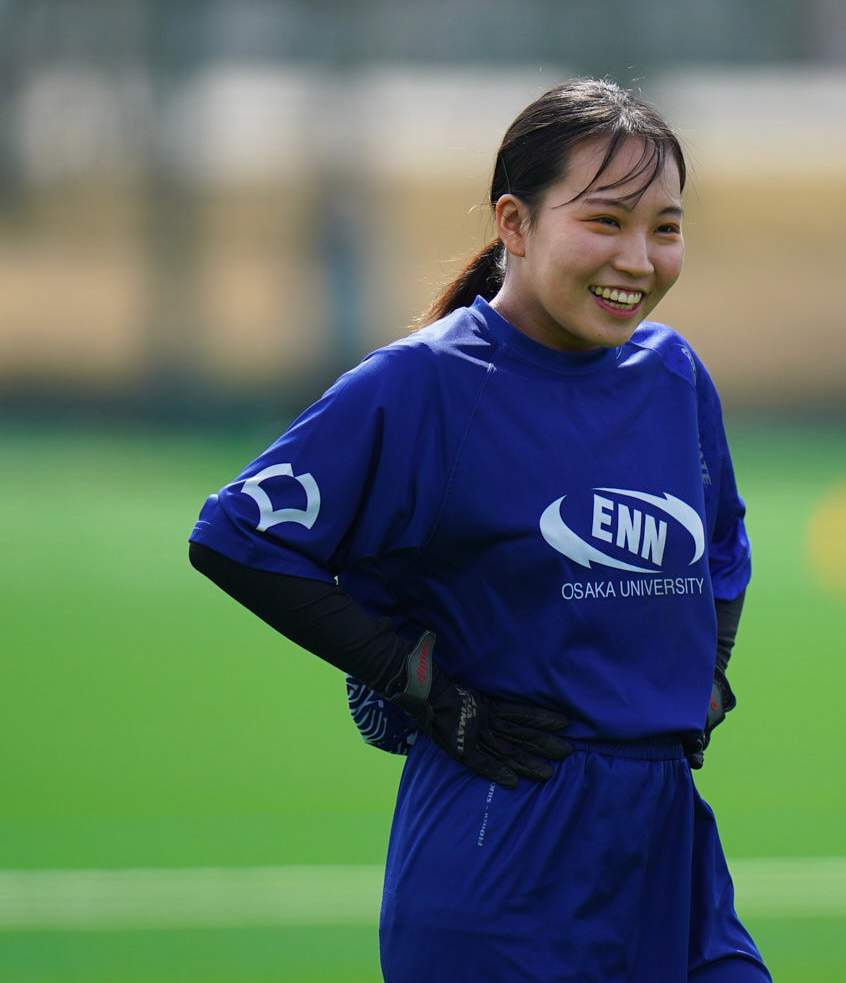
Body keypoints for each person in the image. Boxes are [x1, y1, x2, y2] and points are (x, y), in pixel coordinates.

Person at [188, 78, 769, 983]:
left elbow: (723, 547)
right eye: (606, 221)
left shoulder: (675, 376)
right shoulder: (427, 383)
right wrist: (419, 684)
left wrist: (708, 669)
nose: (639, 258)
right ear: (514, 223)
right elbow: (236, 535)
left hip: (668, 849)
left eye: (665, 227)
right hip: (504, 856)